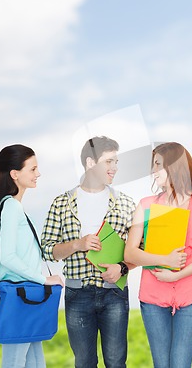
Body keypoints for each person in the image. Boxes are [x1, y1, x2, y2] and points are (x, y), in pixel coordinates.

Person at [41, 136, 136, 368]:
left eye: (116, 162)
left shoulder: (125, 203)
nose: (114, 168)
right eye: (109, 162)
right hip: (78, 294)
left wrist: (122, 268)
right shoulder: (62, 203)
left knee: (116, 362)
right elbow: (47, 250)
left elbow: (140, 249)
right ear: (90, 163)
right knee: (84, 362)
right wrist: (77, 244)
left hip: (114, 293)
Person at [124, 142, 192, 368]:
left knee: (179, 364)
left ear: (174, 166)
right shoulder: (146, 205)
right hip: (153, 296)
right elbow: (130, 252)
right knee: (161, 364)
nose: (153, 171)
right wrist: (163, 261)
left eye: (158, 165)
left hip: (190, 295)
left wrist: (177, 275)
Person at [0, 144, 64, 368]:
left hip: (26, 297)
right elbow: (7, 258)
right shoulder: (11, 207)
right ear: (15, 174)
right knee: (15, 362)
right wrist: (44, 279)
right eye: (33, 169)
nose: (38, 174)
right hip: (20, 296)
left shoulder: (15, 207)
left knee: (36, 362)